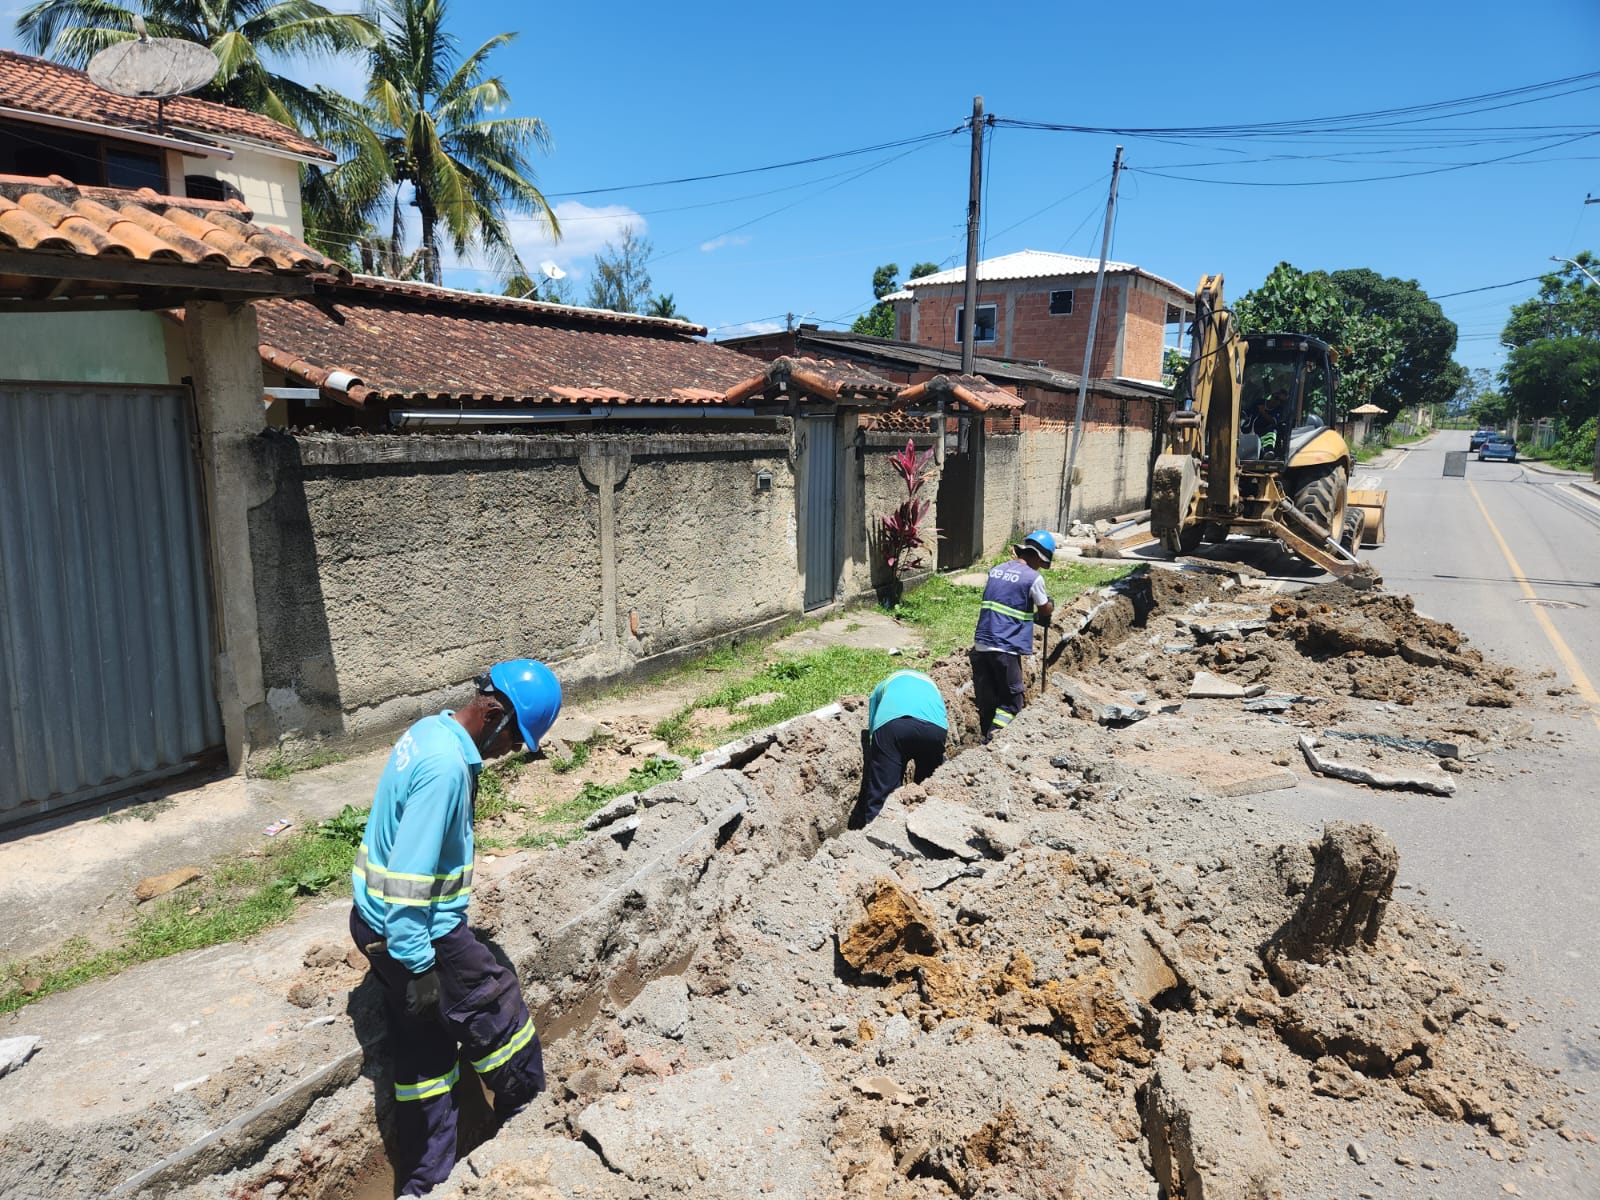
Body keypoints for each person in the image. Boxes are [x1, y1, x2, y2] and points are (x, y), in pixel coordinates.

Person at [350, 659, 562, 1197]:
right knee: (500, 1015)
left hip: (375, 926)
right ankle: (532, 1130)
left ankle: (425, 1186)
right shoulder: (446, 767)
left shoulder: (429, 731)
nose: (514, 749)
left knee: (425, 1059)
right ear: (495, 712)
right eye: (517, 736)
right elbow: (408, 879)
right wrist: (419, 966)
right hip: (416, 932)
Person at [971, 531, 1055, 741]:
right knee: (1012, 701)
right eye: (1040, 562)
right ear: (1037, 556)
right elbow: (1044, 609)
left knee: (992, 696)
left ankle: (989, 729)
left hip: (982, 644)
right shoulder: (1033, 578)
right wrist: (1048, 608)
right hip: (1005, 647)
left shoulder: (997, 570)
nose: (1039, 566)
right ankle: (992, 740)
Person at [851, 669, 948, 828]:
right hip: (935, 730)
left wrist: (877, 754)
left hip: (894, 728)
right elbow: (942, 718)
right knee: (928, 786)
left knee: (884, 795)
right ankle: (928, 828)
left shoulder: (884, 685)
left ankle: (877, 834)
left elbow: (873, 720)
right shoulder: (933, 687)